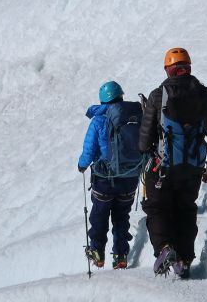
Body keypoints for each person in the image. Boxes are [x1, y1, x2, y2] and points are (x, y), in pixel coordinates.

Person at [139, 47, 207, 279]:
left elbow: (143, 142)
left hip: (162, 167)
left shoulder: (158, 95)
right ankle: (185, 259)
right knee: (186, 209)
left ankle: (164, 248)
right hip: (193, 165)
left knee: (156, 208)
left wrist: (149, 148)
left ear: (168, 69)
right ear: (188, 67)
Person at [77, 80, 142, 270]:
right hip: (130, 178)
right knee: (122, 217)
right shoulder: (133, 117)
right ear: (121, 96)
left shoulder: (98, 121)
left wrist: (81, 165)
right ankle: (120, 255)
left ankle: (97, 251)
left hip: (104, 180)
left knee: (99, 215)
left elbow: (89, 151)